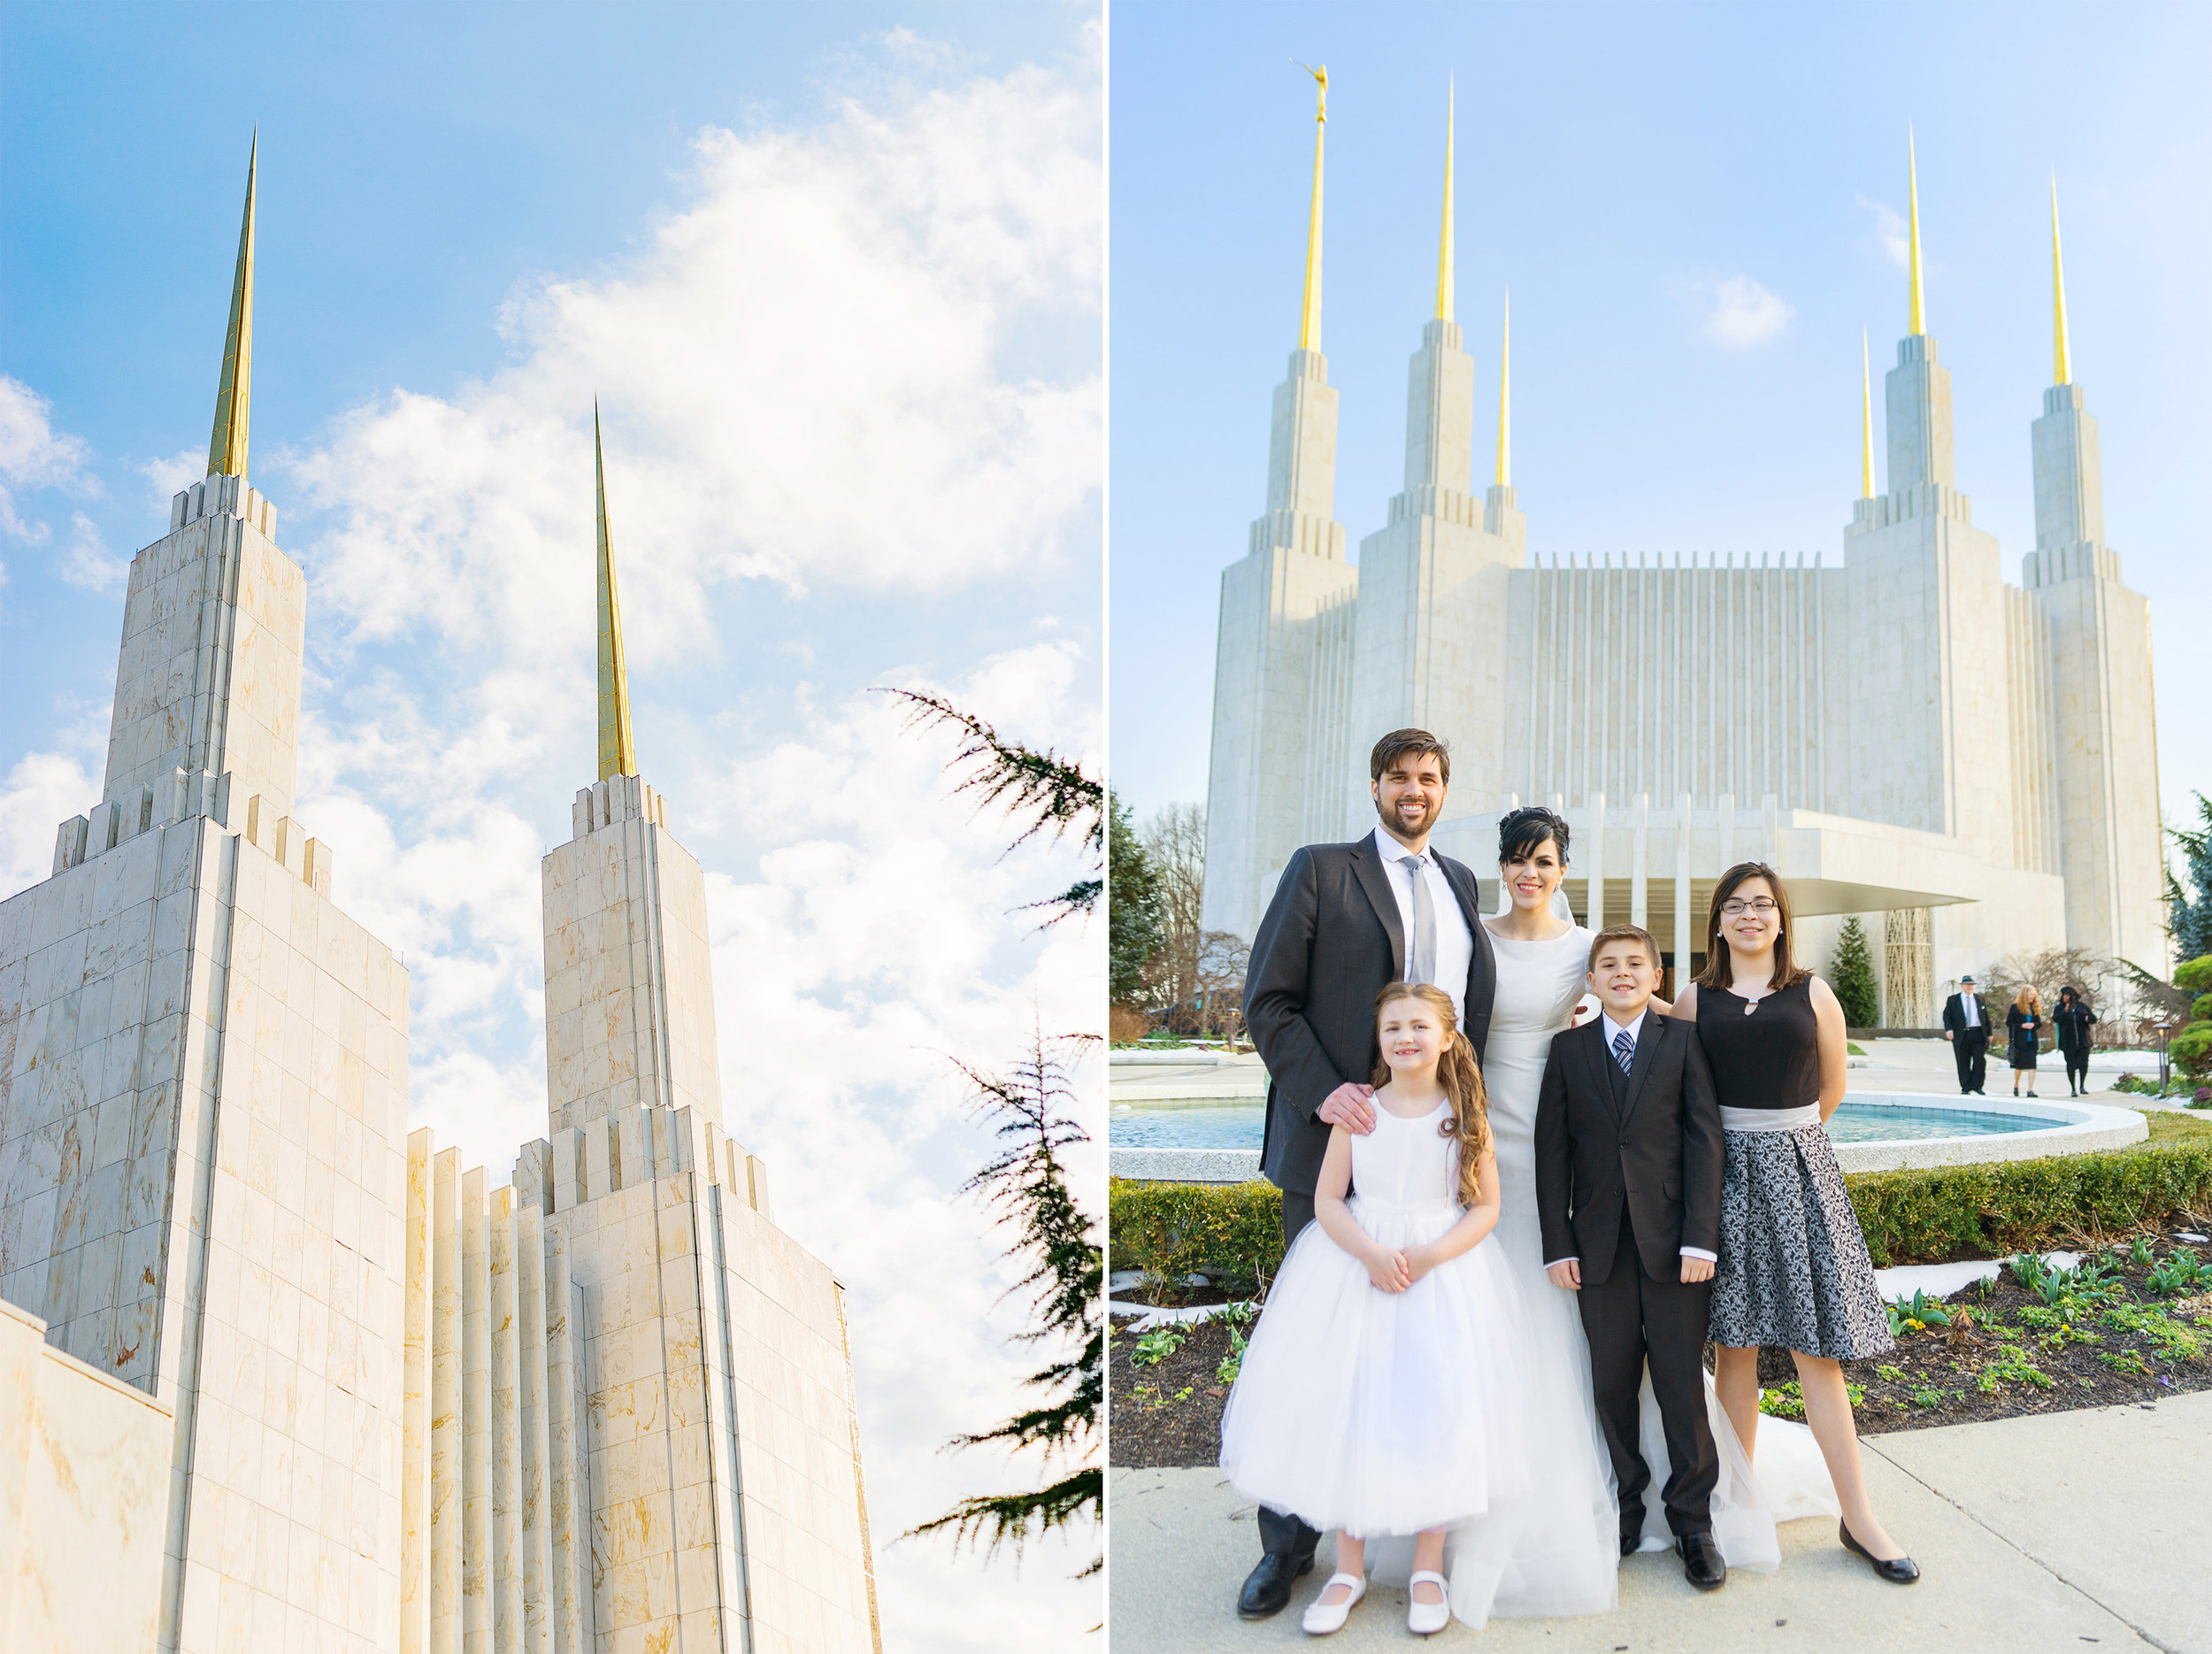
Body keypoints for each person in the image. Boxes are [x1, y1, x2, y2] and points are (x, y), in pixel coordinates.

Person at [1236, 729, 1498, 1619]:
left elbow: (1471, 1016)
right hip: (1333, 1147)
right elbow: (1265, 1002)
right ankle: (1289, 1550)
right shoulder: (1320, 870)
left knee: (1423, 1362)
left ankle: (1412, 1538)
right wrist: (1328, 1096)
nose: (1413, 791)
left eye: (1427, 779)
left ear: (1444, 789)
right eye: (1398, 778)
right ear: (1375, 787)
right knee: (1317, 1358)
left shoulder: (1461, 883)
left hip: (1429, 1154)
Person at [1219, 984, 1529, 1637]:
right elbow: (1330, 1199)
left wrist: (1430, 1254)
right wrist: (1369, 1254)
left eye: (1419, 1025)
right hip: (1358, 1271)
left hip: (1438, 1276)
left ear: (1447, 1036)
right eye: (1392, 1027)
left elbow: (1486, 1207)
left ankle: (1426, 1565)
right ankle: (1348, 1566)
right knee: (1352, 1406)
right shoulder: (1360, 1111)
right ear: (1379, 1037)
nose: (1405, 1037)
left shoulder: (1463, 1114)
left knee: (1433, 1409)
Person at [1668, 863, 1921, 1585]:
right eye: (1735, 905)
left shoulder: (1813, 992)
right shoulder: (1695, 997)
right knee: (1735, 1352)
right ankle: (1732, 1506)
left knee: (1819, 1354)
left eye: (1763, 905)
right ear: (1717, 921)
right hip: (1721, 1182)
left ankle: (1859, 1516)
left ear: (1781, 918)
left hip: (1800, 1173)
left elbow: (1833, 1086)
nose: (1750, 915)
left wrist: (1786, 1146)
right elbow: (1670, 1076)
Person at [1534, 925, 1729, 1592]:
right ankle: (1624, 1504)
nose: (1622, 973)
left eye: (1635, 964)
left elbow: (1705, 1140)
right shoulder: (1567, 1051)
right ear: (1590, 980)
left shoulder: (1682, 1040)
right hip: (1597, 1249)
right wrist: (1556, 1244)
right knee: (1611, 1382)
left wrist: (1701, 1236)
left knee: (1680, 1384)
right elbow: (1551, 1153)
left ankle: (1693, 1521)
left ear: (1656, 977)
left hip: (1676, 1247)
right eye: (1608, 964)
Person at [1940, 974, 1992, 1095]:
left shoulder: (1979, 999)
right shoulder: (1953, 1000)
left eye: (1971, 985)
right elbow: (1947, 1016)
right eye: (1967, 985)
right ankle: (1966, 1086)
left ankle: (1978, 1086)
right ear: (1962, 986)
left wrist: (1989, 1033)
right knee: (1963, 1061)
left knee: (1980, 1060)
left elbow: (1986, 1018)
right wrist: (1949, 1029)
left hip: (1978, 1033)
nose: (1969, 987)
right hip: (1961, 1035)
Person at [2054, 986, 2099, 1097]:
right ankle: (2073, 1088)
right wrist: (2065, 1011)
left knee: (2083, 1063)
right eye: (2064, 995)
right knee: (2071, 1065)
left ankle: (2082, 1085)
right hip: (2067, 1042)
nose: (2066, 997)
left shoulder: (2082, 1007)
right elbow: (2056, 1019)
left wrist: (2088, 1018)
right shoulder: (2060, 1008)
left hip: (2083, 1041)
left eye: (2068, 995)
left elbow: (2094, 1019)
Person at [2007, 986, 2046, 1098]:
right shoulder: (2015, 1007)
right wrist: (2022, 1026)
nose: (2032, 997)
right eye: (2030, 994)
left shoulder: (2035, 1008)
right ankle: (2016, 1085)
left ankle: (2030, 1090)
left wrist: (2034, 1025)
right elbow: (2009, 1023)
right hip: (2020, 1041)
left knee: (2032, 1066)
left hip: (2032, 1041)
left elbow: (2039, 1023)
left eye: (2034, 994)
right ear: (2024, 995)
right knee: (2019, 1066)